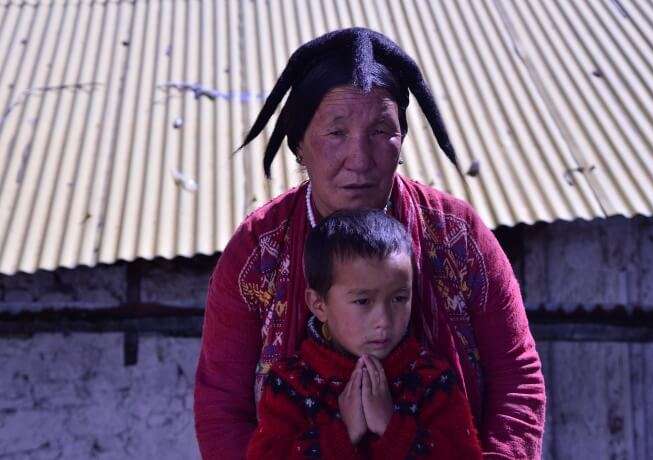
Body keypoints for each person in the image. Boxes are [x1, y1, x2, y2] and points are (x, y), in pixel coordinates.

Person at [195, 27, 545, 459]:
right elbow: (221, 405)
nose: (359, 159)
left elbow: (517, 377)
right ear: (299, 144)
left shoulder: (459, 237)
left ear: (402, 140)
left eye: (381, 131)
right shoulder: (257, 251)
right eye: (336, 133)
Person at [246, 209, 483, 459]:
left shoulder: (431, 379)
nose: (383, 320)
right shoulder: (292, 383)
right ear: (319, 305)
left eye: (399, 298)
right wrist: (343, 431)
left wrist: (392, 427)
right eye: (363, 301)